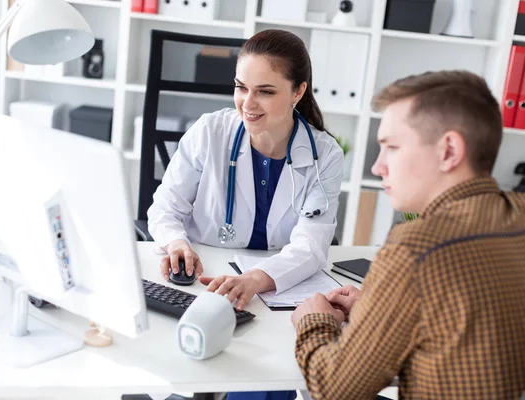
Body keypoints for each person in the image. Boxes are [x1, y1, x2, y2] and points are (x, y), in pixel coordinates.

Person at [291, 70, 525, 399]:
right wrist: (374, 310)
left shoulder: (416, 248)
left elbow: (334, 389)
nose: (378, 166)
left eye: (392, 147)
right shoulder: (518, 214)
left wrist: (314, 321)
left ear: (448, 151)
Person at [147, 29, 344, 312]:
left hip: (272, 289)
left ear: (298, 91)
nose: (248, 104)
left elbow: (311, 246)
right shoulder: (209, 132)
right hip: (203, 280)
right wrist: (176, 244)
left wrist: (252, 280)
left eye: (265, 91)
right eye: (241, 87)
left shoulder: (324, 155)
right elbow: (165, 209)